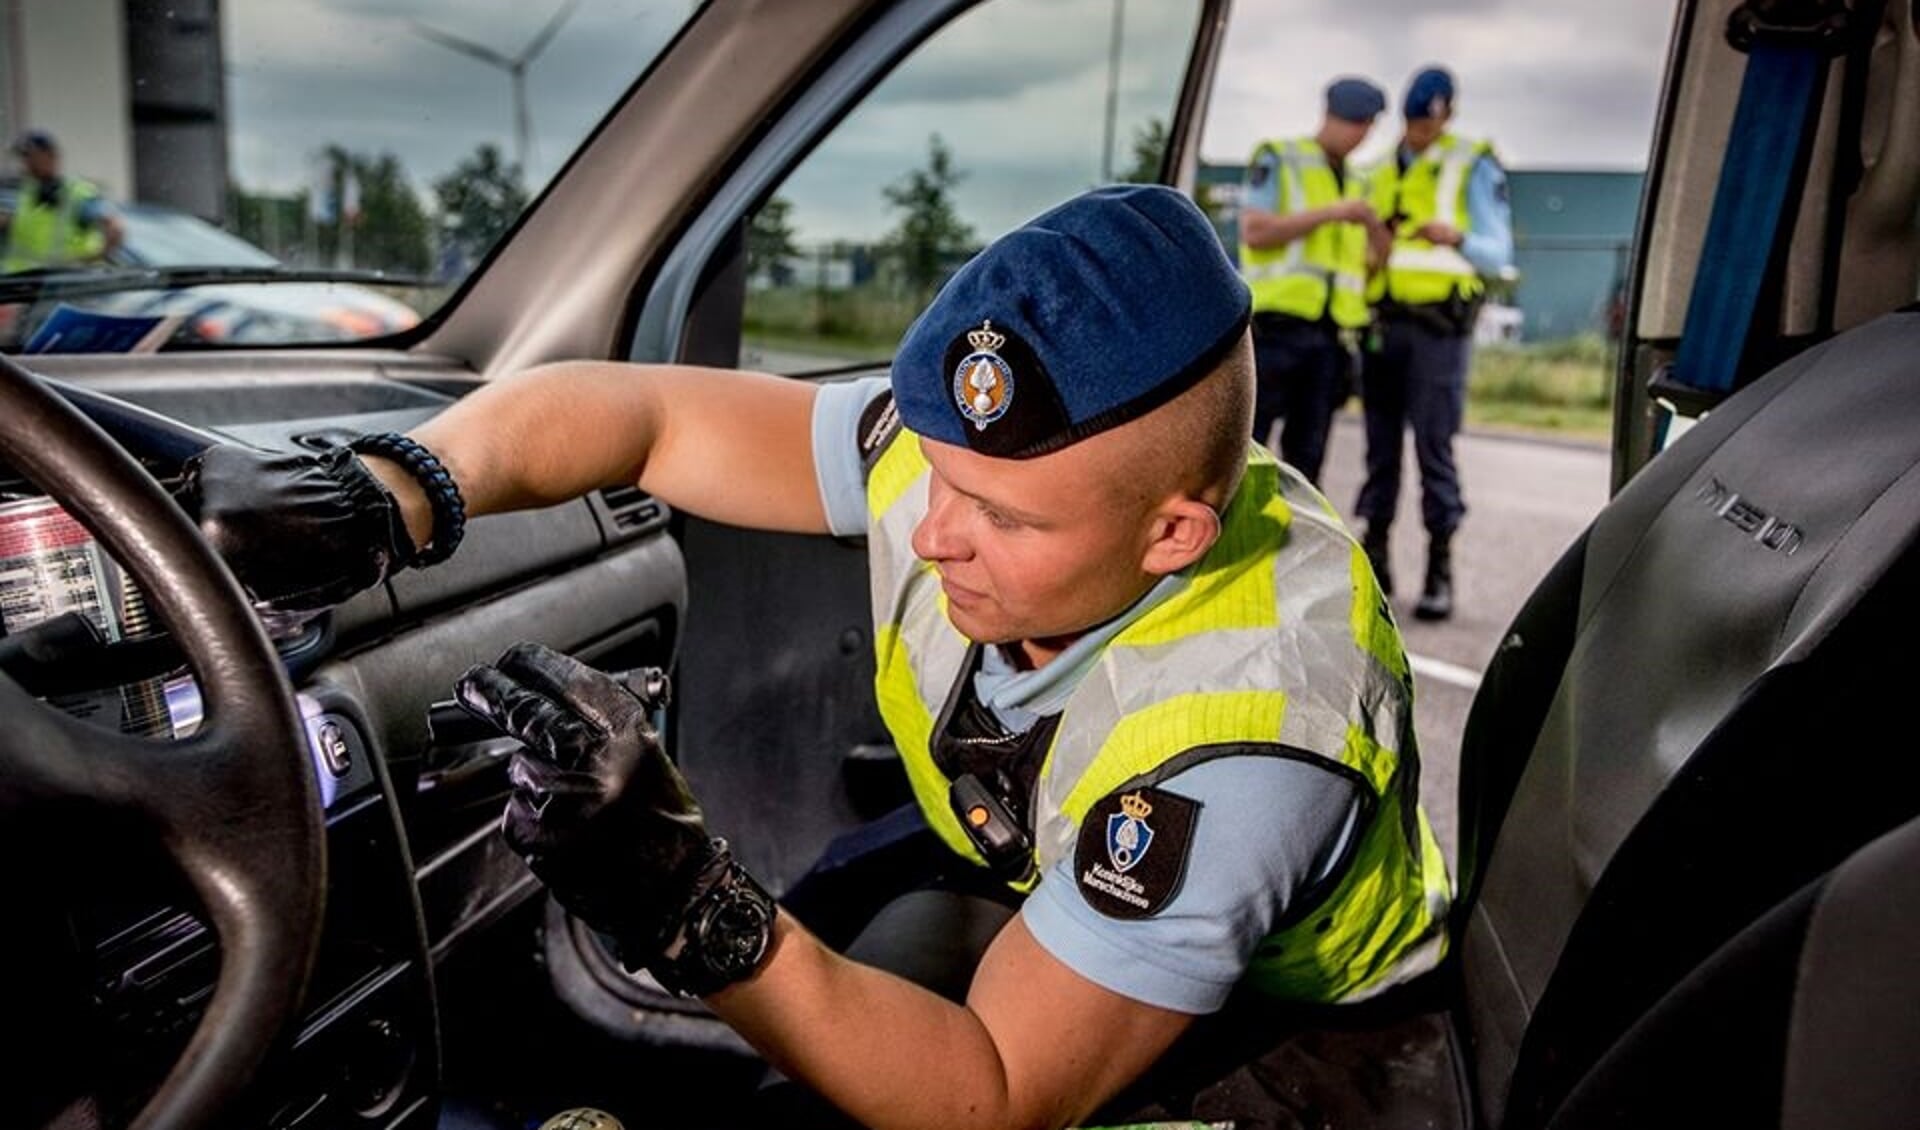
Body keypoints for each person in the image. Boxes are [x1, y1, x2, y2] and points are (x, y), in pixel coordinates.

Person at [178, 185, 1451, 1129]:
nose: (931, 529)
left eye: (1001, 517)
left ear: (1172, 533)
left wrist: (684, 898)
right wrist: (398, 487)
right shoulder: (994, 462)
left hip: (1299, 1047)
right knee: (840, 917)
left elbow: (992, 1089)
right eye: (938, 475)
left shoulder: (1248, 742)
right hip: (1035, 865)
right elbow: (647, 413)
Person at [1355, 67, 1513, 621]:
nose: (1423, 132)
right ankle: (1375, 562)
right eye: (1416, 123)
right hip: (1383, 324)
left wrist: (1459, 236)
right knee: (1379, 451)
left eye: (1432, 123)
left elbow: (1499, 252)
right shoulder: (1374, 170)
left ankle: (1438, 568)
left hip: (1440, 331)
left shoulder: (1471, 162)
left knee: (1433, 449)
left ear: (1448, 116)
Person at [1237, 77, 1388, 485]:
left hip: (1330, 337)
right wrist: (1332, 212)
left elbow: (1368, 264)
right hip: (1275, 330)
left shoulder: (1361, 183)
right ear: (1330, 117)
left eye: (1366, 127)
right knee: (1248, 451)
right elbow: (1255, 231)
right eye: (1353, 124)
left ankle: (1296, 545)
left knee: (1308, 458)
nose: (1359, 136)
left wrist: (1375, 229)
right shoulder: (1280, 158)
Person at [0, 130, 124, 273]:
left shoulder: (77, 195)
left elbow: (115, 229)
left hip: (67, 287)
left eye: (31, 156)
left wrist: (92, 259)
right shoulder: (26, 194)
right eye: (24, 157)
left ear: (52, 157)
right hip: (23, 286)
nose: (26, 163)